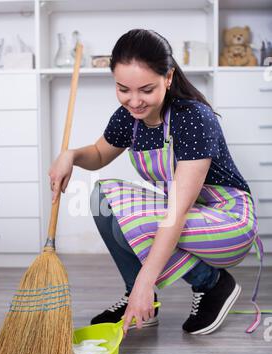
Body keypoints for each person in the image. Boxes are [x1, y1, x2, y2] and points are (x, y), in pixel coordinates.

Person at [49, 29, 263, 338]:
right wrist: (70, 155)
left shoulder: (193, 118)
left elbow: (176, 211)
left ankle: (213, 284)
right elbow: (98, 154)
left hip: (229, 221)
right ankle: (140, 303)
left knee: (134, 221)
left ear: (168, 77)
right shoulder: (129, 117)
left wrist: (145, 283)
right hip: (189, 216)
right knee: (102, 199)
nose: (134, 101)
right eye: (123, 89)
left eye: (146, 90)